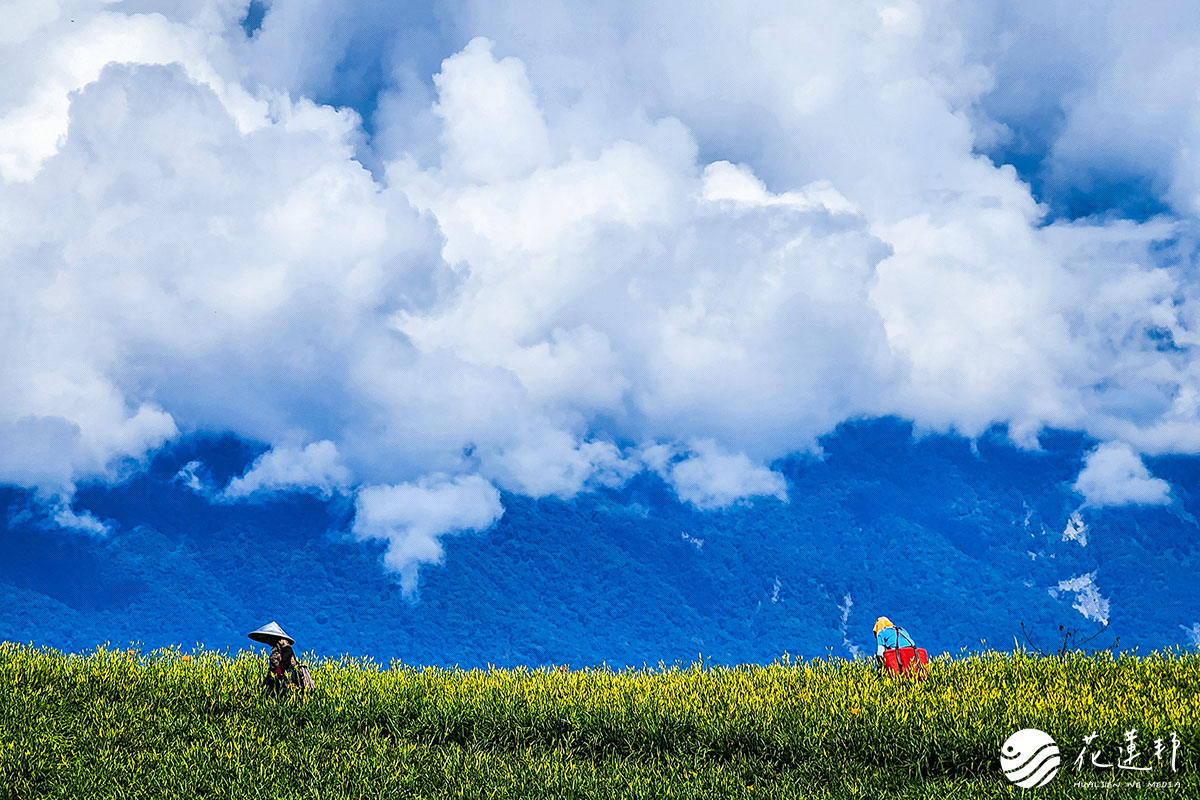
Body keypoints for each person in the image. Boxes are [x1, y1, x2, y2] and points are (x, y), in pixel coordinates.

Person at [249, 621, 298, 695]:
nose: (266, 641)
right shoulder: (276, 647)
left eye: (266, 638)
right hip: (279, 674)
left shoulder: (283, 642)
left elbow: (287, 654)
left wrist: (280, 669)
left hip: (286, 674)